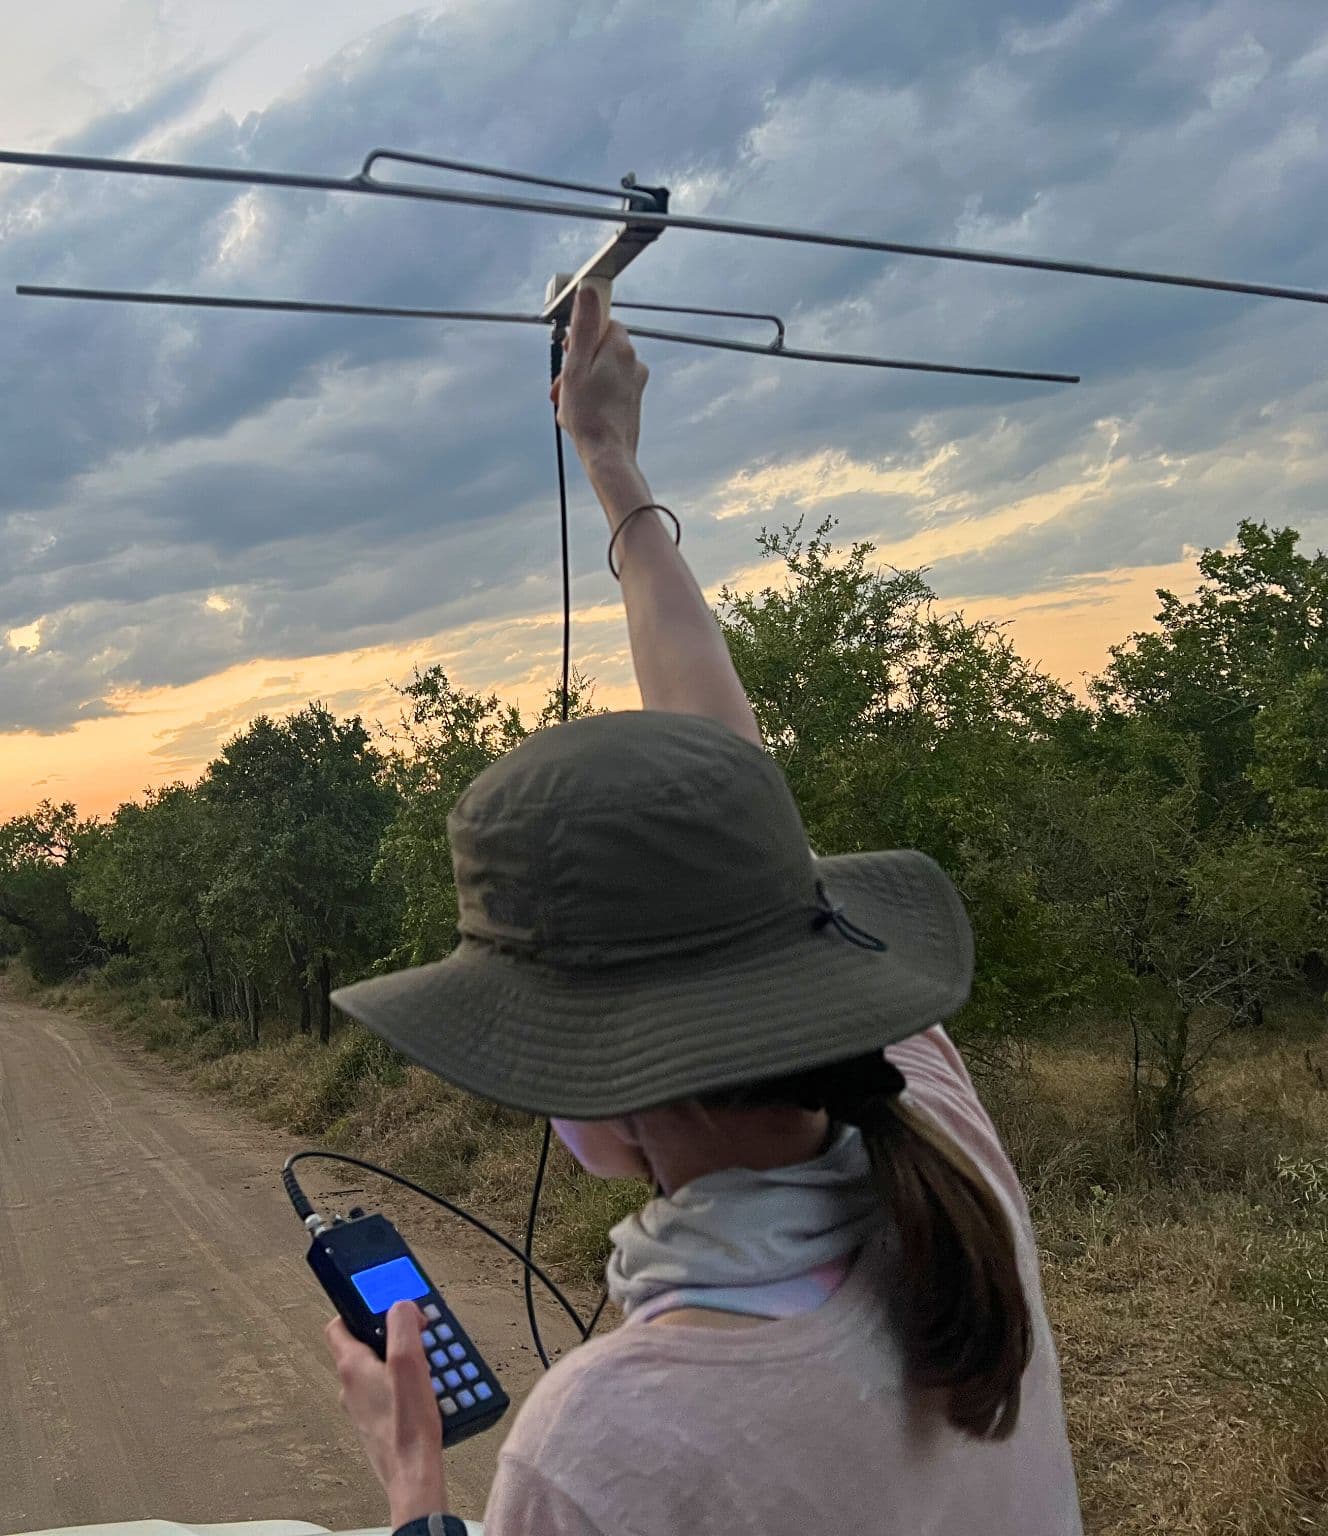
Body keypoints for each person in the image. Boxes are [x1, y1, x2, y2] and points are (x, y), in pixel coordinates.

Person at [318, 285, 1082, 1536]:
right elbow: (725, 786)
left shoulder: (607, 1444)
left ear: (604, 1087)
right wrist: (612, 467)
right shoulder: (941, 1148)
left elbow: (729, 790)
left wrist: (414, 1493)